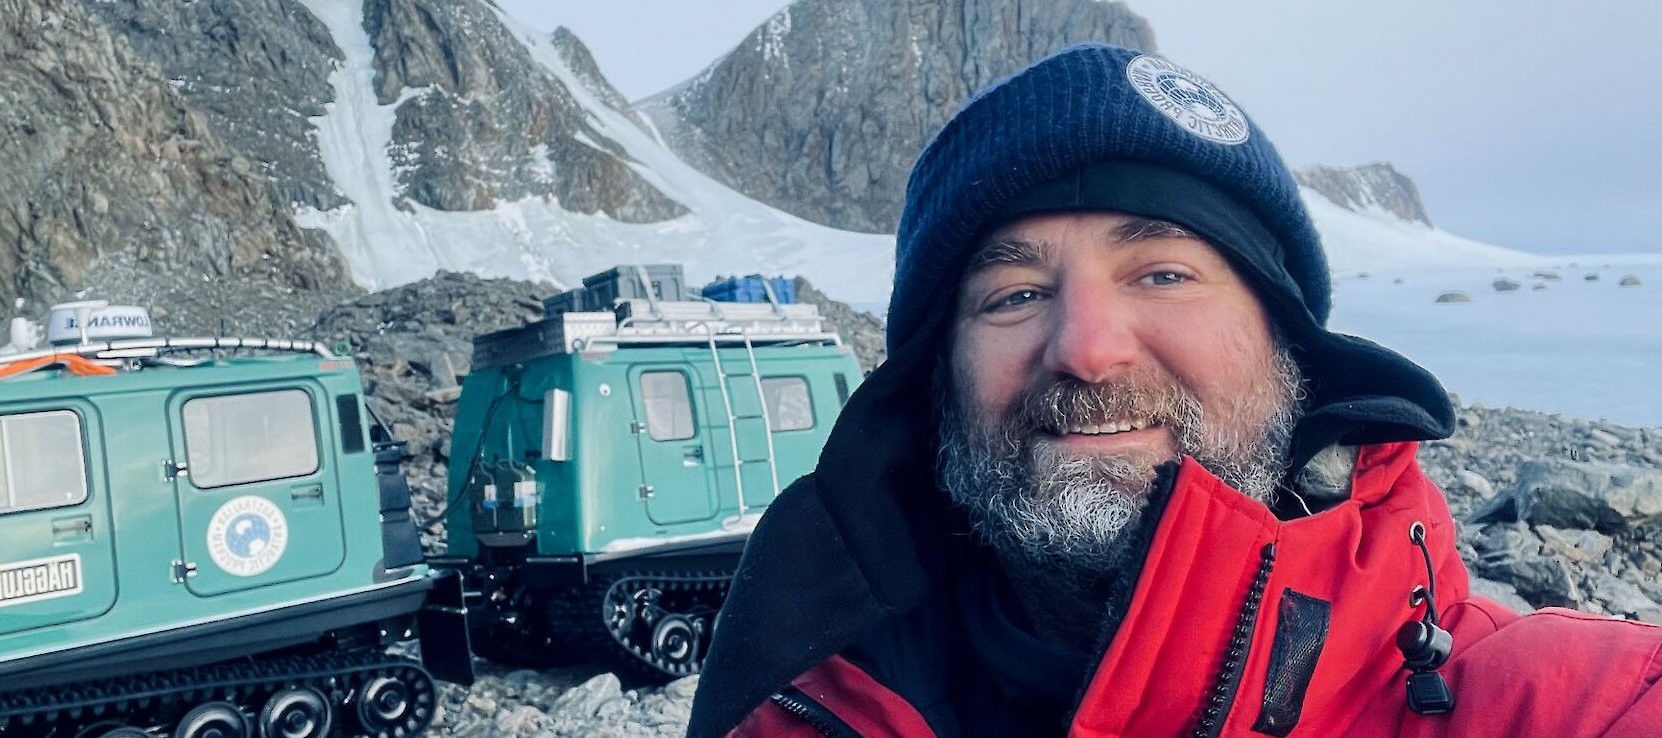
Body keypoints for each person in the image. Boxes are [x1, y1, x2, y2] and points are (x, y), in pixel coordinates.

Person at [685, 44, 1662, 738]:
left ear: (1286, 344)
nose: (1089, 350)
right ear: (934, 383)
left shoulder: (1572, 703)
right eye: (1015, 293)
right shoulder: (801, 707)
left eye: (1162, 273)